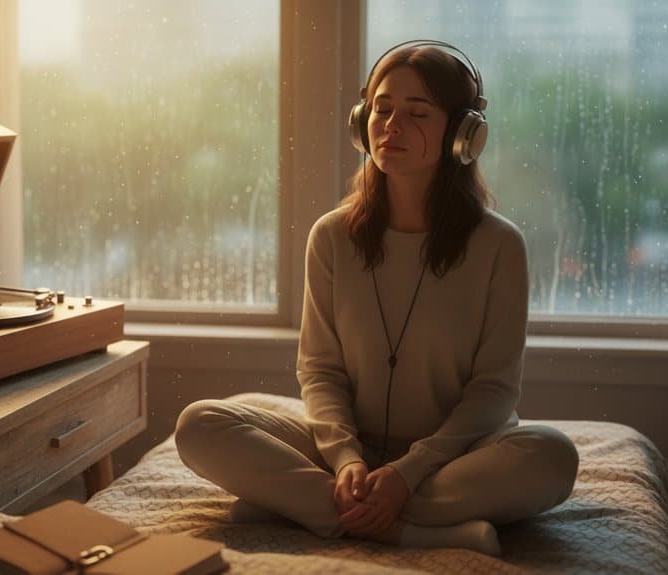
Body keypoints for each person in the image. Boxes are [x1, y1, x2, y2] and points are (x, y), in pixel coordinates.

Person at [174, 40, 579, 556]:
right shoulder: (332, 236)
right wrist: (346, 461)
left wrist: (408, 473)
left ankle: (305, 507)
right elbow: (320, 371)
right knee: (201, 424)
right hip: (349, 459)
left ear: (463, 135)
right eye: (383, 109)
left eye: (417, 113)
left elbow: (494, 392)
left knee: (551, 456)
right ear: (361, 121)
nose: (392, 126)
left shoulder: (498, 245)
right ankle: (400, 526)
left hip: (455, 456)